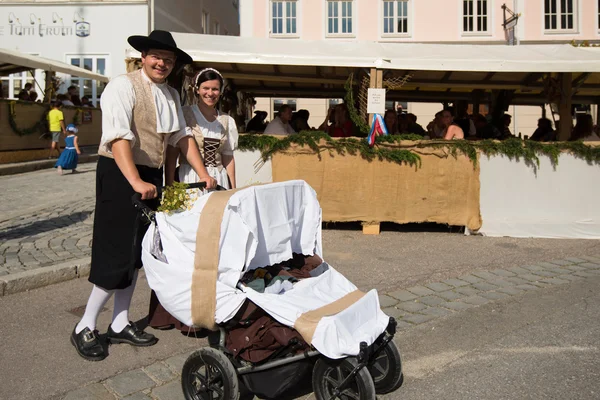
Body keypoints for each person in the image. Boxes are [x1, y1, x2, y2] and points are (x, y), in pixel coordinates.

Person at [70, 30, 216, 362]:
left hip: (147, 176)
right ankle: (85, 325)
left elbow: (182, 138)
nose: (161, 63)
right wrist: (134, 179)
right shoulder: (123, 86)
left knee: (137, 252)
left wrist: (204, 173)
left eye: (168, 59)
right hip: (121, 174)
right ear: (143, 57)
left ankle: (120, 323)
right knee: (115, 250)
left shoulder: (172, 95)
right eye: (156, 57)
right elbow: (118, 138)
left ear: (174, 63)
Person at [167, 67, 238, 189]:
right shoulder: (184, 114)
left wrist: (233, 189)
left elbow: (228, 157)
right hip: (190, 177)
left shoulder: (227, 120)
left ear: (220, 92)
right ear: (197, 90)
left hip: (219, 178)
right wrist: (169, 186)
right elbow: (172, 154)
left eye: (215, 89)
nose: (210, 93)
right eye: (205, 88)